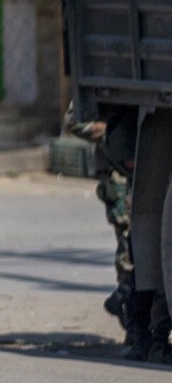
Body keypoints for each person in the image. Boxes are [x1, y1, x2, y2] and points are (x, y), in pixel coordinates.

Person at [62, 102, 134, 337]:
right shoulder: (104, 75)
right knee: (129, 249)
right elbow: (73, 121)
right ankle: (132, 319)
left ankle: (125, 300)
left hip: (136, 169)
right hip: (118, 172)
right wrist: (114, 134)